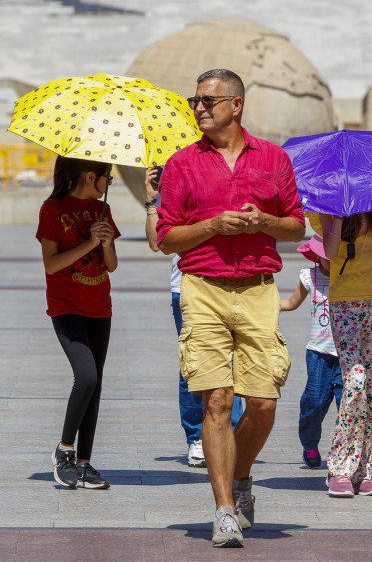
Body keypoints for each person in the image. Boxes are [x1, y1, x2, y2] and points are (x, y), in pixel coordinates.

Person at [157, 69, 305, 548]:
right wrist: (212, 227)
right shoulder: (181, 163)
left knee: (263, 402)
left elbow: (297, 228)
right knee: (217, 399)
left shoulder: (274, 158)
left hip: (260, 288)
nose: (198, 107)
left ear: (236, 105)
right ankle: (223, 510)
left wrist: (264, 220)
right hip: (202, 289)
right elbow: (166, 238)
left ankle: (241, 476)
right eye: (194, 99)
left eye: (207, 100)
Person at [143, 166, 243, 469]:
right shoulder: (175, 187)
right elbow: (155, 243)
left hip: (230, 283)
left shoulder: (228, 180)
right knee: (193, 366)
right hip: (186, 288)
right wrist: (152, 201)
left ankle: (230, 430)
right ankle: (197, 437)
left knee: (232, 363)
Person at [39, 156, 119, 490]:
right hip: (66, 305)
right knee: (85, 376)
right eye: (107, 178)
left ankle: (84, 463)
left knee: (95, 384)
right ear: (91, 176)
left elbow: (111, 266)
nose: (108, 184)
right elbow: (52, 264)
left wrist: (105, 242)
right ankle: (65, 450)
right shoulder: (52, 209)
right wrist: (88, 242)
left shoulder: (103, 211)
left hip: (99, 306)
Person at [317, 210, 372, 497]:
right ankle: (338, 469)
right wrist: (339, 214)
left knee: (370, 390)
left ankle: (362, 469)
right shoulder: (326, 206)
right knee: (356, 381)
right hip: (345, 302)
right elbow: (329, 251)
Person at [280, 233, 342, 470]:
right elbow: (291, 303)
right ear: (317, 255)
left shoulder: (351, 277)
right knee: (314, 402)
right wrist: (264, 304)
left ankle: (343, 451)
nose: (332, 259)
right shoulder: (310, 276)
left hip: (346, 354)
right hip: (318, 353)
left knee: (346, 406)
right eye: (327, 255)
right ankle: (310, 444)